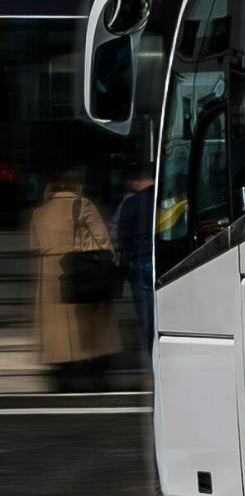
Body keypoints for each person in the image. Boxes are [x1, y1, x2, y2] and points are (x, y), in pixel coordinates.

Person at [30, 172, 121, 393]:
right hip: (83, 267)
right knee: (93, 324)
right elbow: (102, 240)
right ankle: (98, 374)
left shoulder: (39, 212)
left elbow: (35, 244)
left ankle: (62, 375)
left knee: (57, 329)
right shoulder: (83, 204)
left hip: (51, 274)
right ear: (76, 186)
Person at [110, 167, 156, 357]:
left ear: (137, 181)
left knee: (147, 320)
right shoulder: (168, 198)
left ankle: (152, 356)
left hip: (139, 262)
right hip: (165, 261)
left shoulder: (131, 203)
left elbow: (122, 237)